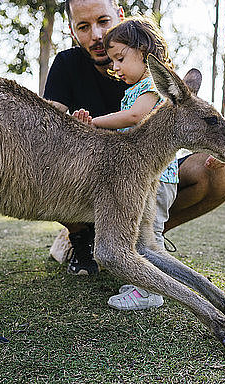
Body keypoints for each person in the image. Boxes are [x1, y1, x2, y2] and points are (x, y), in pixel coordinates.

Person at [43, 0, 225, 307]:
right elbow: (48, 124)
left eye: (103, 21)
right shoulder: (67, 65)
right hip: (93, 179)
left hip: (146, 174)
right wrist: (72, 127)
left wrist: (215, 152)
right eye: (83, 26)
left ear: (120, 17)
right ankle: (83, 238)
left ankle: (138, 247)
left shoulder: (146, 66)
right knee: (48, 164)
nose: (95, 35)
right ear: (72, 30)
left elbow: (189, 118)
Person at [70, 16, 176, 310]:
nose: (114, 67)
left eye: (120, 58)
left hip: (156, 176)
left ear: (144, 51)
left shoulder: (155, 84)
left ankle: (148, 291)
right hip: (136, 176)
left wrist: (94, 122)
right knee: (135, 233)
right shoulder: (134, 87)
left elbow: (134, 118)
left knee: (148, 235)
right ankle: (140, 282)